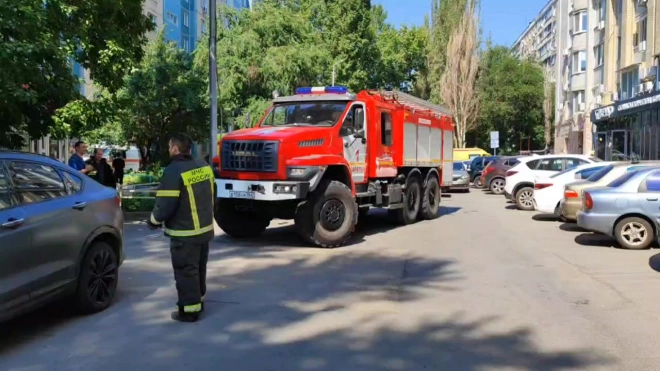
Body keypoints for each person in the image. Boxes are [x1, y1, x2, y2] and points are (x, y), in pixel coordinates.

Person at [146, 133, 216, 323]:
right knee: (199, 268)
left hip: (184, 233)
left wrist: (153, 220)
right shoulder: (203, 166)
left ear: (175, 149)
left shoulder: (174, 171)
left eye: (170, 147)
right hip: (204, 230)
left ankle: (189, 311)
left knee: (186, 271)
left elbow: (165, 204)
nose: (169, 150)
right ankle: (198, 300)